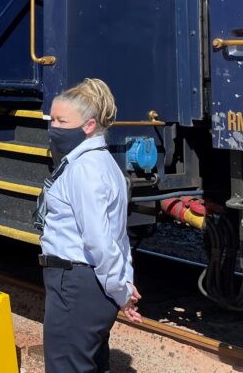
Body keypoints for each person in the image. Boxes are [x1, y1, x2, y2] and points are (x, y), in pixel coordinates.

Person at [38, 78, 141, 373]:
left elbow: (100, 241)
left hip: (75, 283)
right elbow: (118, 236)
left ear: (89, 125)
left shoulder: (84, 170)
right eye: (52, 118)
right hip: (88, 285)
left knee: (65, 366)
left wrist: (122, 291)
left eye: (61, 120)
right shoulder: (106, 164)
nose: (53, 126)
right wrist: (124, 282)